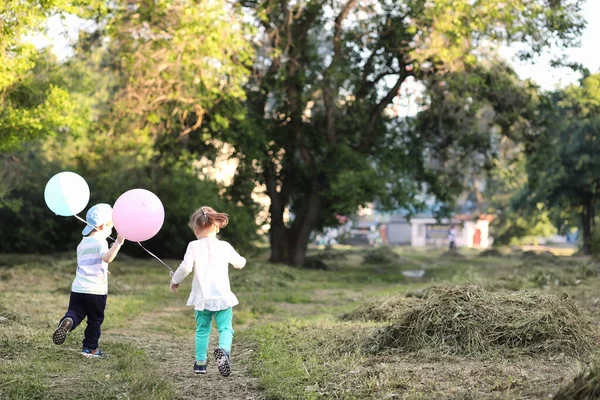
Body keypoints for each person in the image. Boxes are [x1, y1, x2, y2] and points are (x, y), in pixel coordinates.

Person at [169, 206, 246, 377]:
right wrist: (243, 260)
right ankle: (224, 351)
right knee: (225, 328)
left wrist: (175, 280)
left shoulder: (193, 246)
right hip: (222, 297)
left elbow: (186, 267)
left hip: (201, 298)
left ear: (195, 229)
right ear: (217, 226)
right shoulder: (224, 246)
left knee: (202, 330)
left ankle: (200, 364)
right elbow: (239, 263)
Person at [52, 203, 126, 358]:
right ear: (100, 227)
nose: (111, 230)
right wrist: (118, 243)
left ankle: (67, 320)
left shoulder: (82, 243)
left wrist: (104, 270)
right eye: (110, 227)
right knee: (95, 320)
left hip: (78, 289)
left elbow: (88, 263)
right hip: (96, 292)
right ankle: (90, 349)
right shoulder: (101, 242)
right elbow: (107, 258)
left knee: (76, 312)